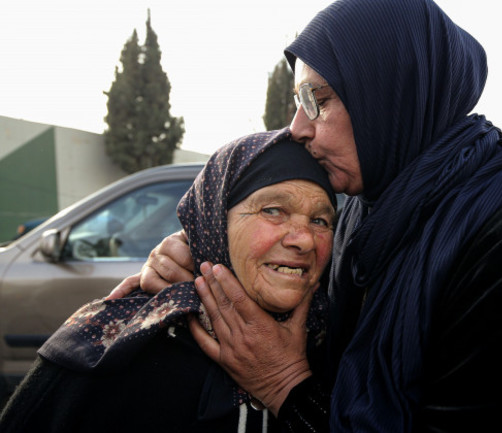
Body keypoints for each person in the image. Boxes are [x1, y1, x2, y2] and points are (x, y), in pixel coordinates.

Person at [112, 0, 502, 431]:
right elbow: (314, 329)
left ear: (391, 93)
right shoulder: (365, 216)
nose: (297, 126)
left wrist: (287, 388)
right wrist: (204, 261)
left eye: (316, 98)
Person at [0, 129, 337, 432]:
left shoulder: (338, 351)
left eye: (321, 220)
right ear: (214, 223)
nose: (304, 240)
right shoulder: (116, 347)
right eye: (273, 210)